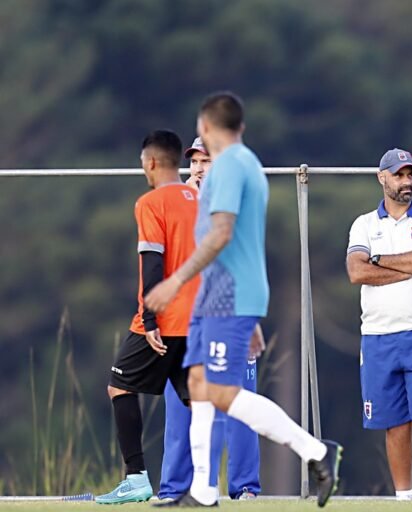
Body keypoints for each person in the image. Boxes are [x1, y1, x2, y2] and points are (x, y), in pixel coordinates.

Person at [145, 91, 341, 508]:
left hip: (227, 294)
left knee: (218, 390)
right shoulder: (240, 162)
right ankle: (200, 492)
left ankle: (315, 451)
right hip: (217, 295)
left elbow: (223, 233)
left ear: (203, 127)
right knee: (198, 384)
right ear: (242, 127)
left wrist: (174, 281)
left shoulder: (232, 164)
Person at [96, 130, 199, 504]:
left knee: (119, 386)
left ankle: (136, 478)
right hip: (198, 318)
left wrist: (151, 319)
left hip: (164, 318)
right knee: (201, 400)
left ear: (152, 162)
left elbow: (153, 263)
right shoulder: (199, 199)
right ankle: (203, 486)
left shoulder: (150, 203)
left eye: (142, 162)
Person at [158, 137, 262, 502]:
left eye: (209, 161)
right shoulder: (173, 203)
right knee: (181, 408)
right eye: (196, 162)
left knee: (239, 404)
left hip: (230, 315)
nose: (201, 168)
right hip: (184, 322)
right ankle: (176, 489)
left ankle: (245, 488)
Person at [346, 148, 412, 501]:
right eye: (399, 175)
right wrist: (405, 266)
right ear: (382, 178)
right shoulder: (364, 224)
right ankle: (403, 498)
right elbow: (356, 271)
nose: (407, 182)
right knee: (395, 424)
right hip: (378, 336)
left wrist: (379, 261)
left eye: (411, 175)